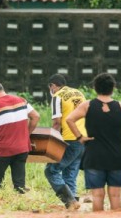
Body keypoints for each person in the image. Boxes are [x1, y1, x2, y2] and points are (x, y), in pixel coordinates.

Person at [66, 73, 121, 211]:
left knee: (97, 196)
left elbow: (69, 119)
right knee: (115, 196)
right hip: (119, 157)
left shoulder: (87, 106)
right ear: (113, 88)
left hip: (94, 156)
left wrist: (80, 137)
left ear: (95, 88)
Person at [45, 73, 86, 210]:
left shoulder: (58, 96)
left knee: (51, 170)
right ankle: (74, 201)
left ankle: (69, 201)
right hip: (82, 138)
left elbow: (57, 123)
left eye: (50, 87)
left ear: (53, 86)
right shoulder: (78, 93)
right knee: (70, 172)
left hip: (68, 139)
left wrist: (51, 142)